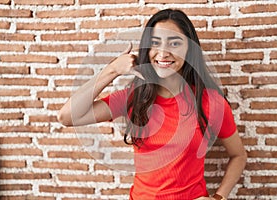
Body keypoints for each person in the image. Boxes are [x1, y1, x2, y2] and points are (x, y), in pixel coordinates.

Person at [58, 9, 247, 200]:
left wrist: (218, 198)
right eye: (155, 43)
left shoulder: (211, 101)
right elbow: (66, 116)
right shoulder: (134, 98)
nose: (163, 53)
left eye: (174, 43)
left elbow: (238, 155)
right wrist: (113, 69)